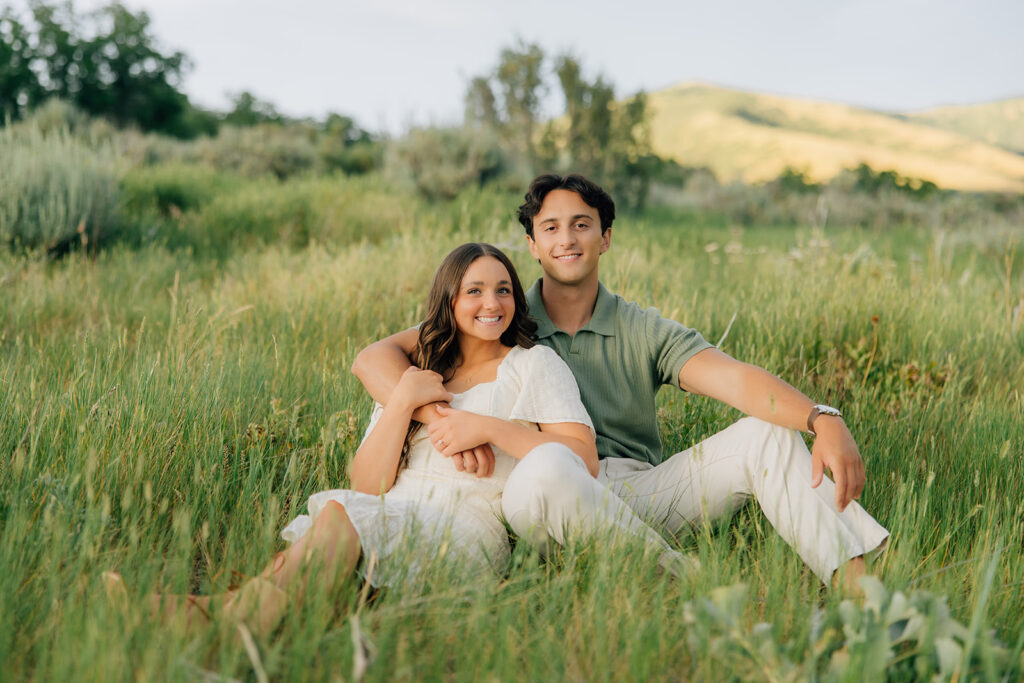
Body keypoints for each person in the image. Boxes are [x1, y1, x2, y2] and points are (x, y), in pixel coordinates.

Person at [107, 242, 680, 631]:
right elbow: (368, 481)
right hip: (394, 511)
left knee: (340, 524)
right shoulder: (419, 373)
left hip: (468, 529)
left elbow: (581, 458)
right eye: (475, 290)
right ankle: (221, 624)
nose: (492, 303)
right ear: (449, 299)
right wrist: (405, 399)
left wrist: (489, 428)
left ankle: (206, 622)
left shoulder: (533, 366)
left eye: (504, 290)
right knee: (332, 545)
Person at [353, 174, 889, 589]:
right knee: (545, 471)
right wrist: (447, 423)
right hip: (533, 492)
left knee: (767, 433)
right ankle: (683, 584)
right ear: (533, 244)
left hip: (636, 489)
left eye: (582, 224)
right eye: (551, 227)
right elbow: (374, 359)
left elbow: (736, 381)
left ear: (605, 238)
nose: (567, 239)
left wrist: (822, 418)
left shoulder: (641, 328)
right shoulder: (500, 317)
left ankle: (864, 601)